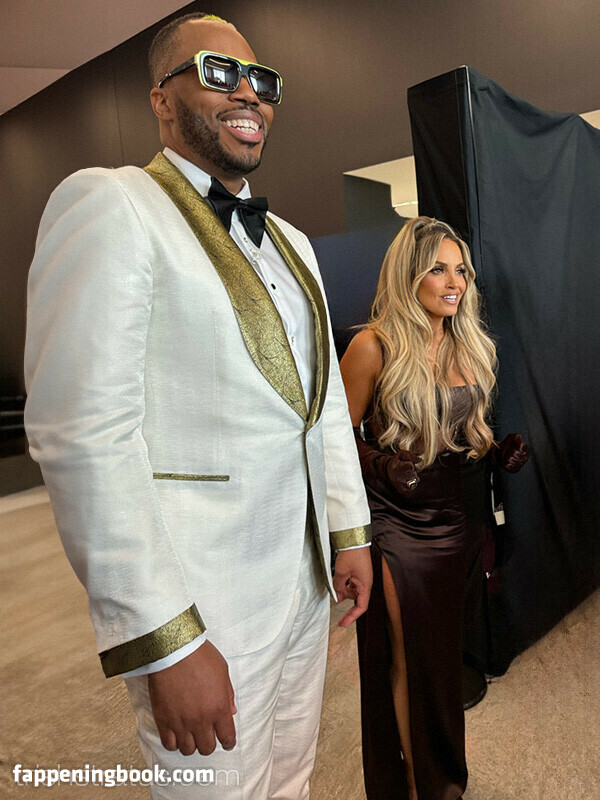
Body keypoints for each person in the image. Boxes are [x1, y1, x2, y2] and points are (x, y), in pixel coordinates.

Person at [24, 12, 372, 800]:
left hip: (304, 583)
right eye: (219, 72)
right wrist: (166, 640)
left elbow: (319, 408)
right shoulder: (113, 204)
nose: (249, 93)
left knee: (291, 778)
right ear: (162, 99)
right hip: (205, 600)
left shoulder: (293, 242)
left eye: (263, 81)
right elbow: (85, 436)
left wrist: (348, 531)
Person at [340, 216, 528, 800]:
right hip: (400, 526)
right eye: (438, 270)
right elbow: (333, 440)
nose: (455, 283)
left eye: (461, 270)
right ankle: (422, 788)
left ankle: (442, 778)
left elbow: (460, 432)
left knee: (441, 664)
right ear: (409, 275)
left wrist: (496, 450)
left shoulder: (466, 342)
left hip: (459, 520)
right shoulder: (373, 346)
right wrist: (382, 465)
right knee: (411, 663)